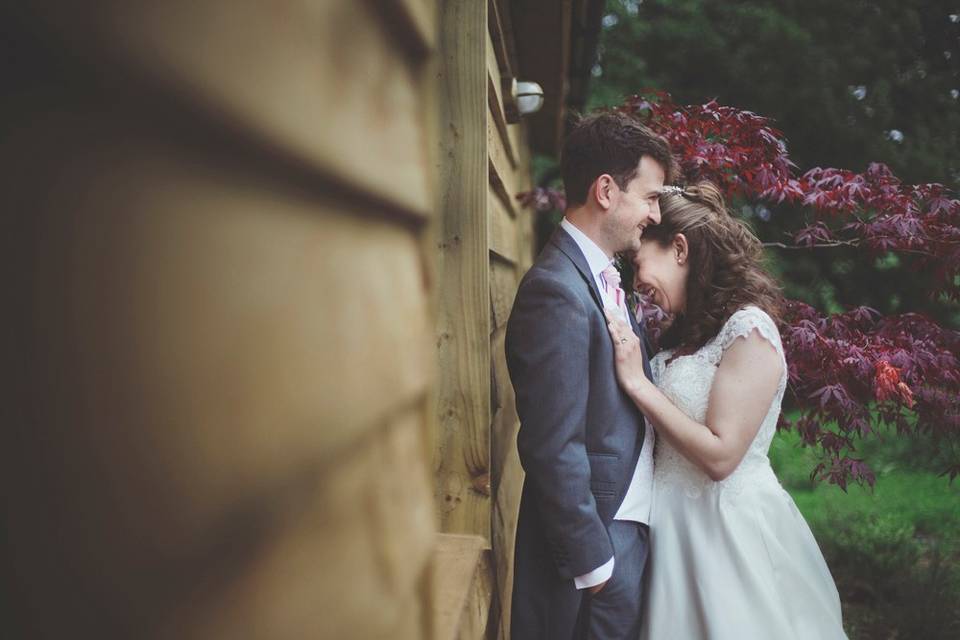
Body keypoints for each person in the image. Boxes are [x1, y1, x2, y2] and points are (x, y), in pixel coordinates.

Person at [604, 182, 848, 639]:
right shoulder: (682, 336)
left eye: (639, 263)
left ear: (679, 248)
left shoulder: (748, 329)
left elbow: (721, 456)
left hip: (726, 537)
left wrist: (638, 383)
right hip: (670, 538)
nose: (636, 282)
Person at [505, 112, 672, 639]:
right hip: (594, 553)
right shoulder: (556, 290)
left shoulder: (600, 276)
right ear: (606, 190)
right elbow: (552, 444)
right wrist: (598, 569)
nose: (656, 213)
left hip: (622, 531)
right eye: (649, 196)